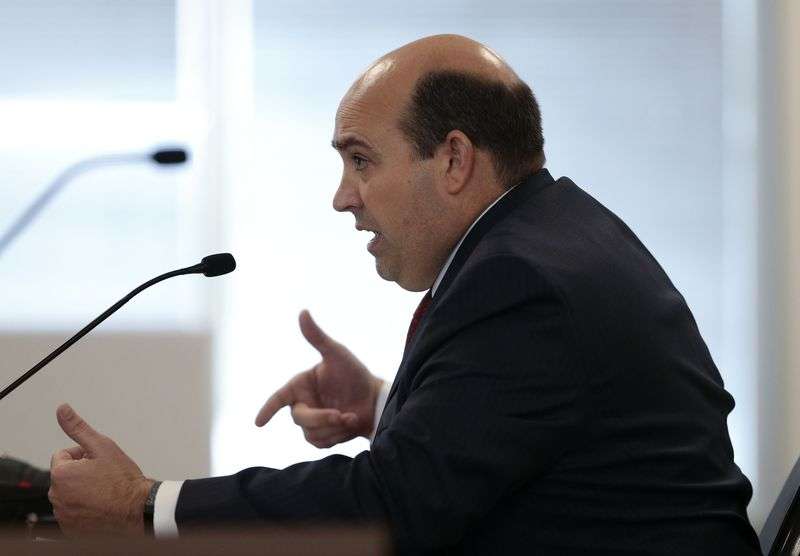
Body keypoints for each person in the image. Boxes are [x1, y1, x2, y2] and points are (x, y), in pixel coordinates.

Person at [47, 34, 762, 554]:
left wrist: (147, 506)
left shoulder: (525, 281)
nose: (342, 198)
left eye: (361, 160)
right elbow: (512, 440)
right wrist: (387, 407)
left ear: (452, 159)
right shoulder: (552, 235)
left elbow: (389, 508)